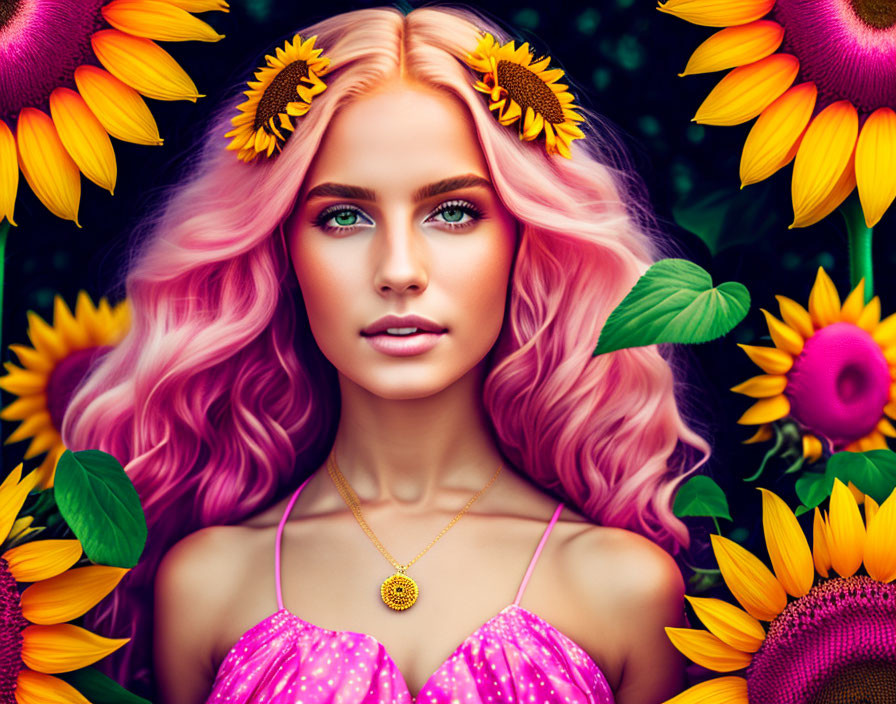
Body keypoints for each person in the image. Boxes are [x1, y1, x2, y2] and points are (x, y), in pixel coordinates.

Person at [63, 5, 711, 704]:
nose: (399, 270)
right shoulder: (207, 581)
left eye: (453, 212)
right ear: (280, 249)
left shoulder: (626, 587)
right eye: (343, 216)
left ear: (526, 239)